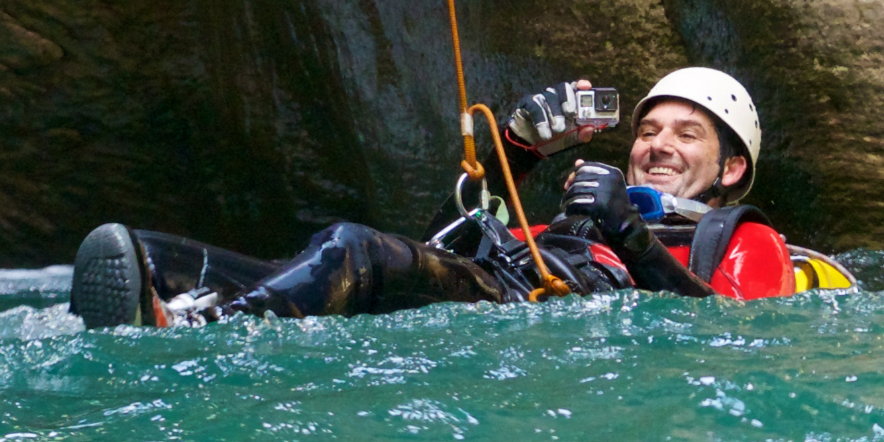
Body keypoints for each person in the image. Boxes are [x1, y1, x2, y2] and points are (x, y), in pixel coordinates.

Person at [70, 66, 819, 328]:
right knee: (157, 255)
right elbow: (445, 240)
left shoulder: (741, 237)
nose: (657, 144)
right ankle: (166, 291)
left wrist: (633, 240)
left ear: (728, 169)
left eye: (687, 135)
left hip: (533, 304)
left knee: (354, 250)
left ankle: (206, 332)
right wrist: (521, 146)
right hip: (505, 280)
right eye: (648, 130)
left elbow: (736, 335)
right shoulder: (577, 214)